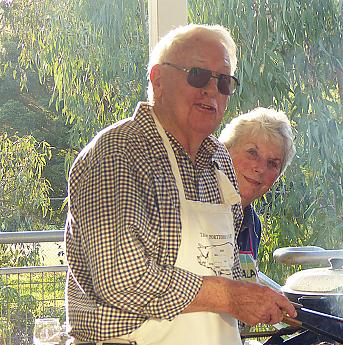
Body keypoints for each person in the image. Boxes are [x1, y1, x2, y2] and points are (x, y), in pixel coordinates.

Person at [64, 24, 296, 345]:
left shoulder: (218, 159)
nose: (211, 90)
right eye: (198, 75)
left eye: (224, 82)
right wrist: (230, 297)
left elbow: (223, 269)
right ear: (158, 79)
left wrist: (252, 301)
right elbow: (121, 279)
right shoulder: (119, 151)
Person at [218, 107, 296, 281]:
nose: (260, 168)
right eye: (252, 153)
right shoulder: (197, 206)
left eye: (272, 163)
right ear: (225, 151)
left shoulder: (253, 224)